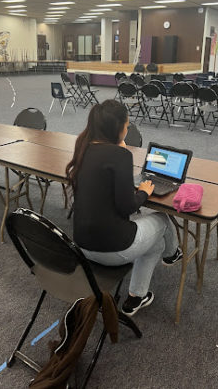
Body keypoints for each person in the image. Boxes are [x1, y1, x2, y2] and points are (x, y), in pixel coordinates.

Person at [66, 100, 182, 316]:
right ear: (116, 128)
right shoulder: (121, 155)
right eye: (127, 125)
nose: (128, 129)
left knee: (152, 245)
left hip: (81, 246)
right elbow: (127, 206)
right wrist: (144, 192)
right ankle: (172, 255)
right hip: (113, 249)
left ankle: (137, 297)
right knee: (163, 219)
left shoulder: (83, 147)